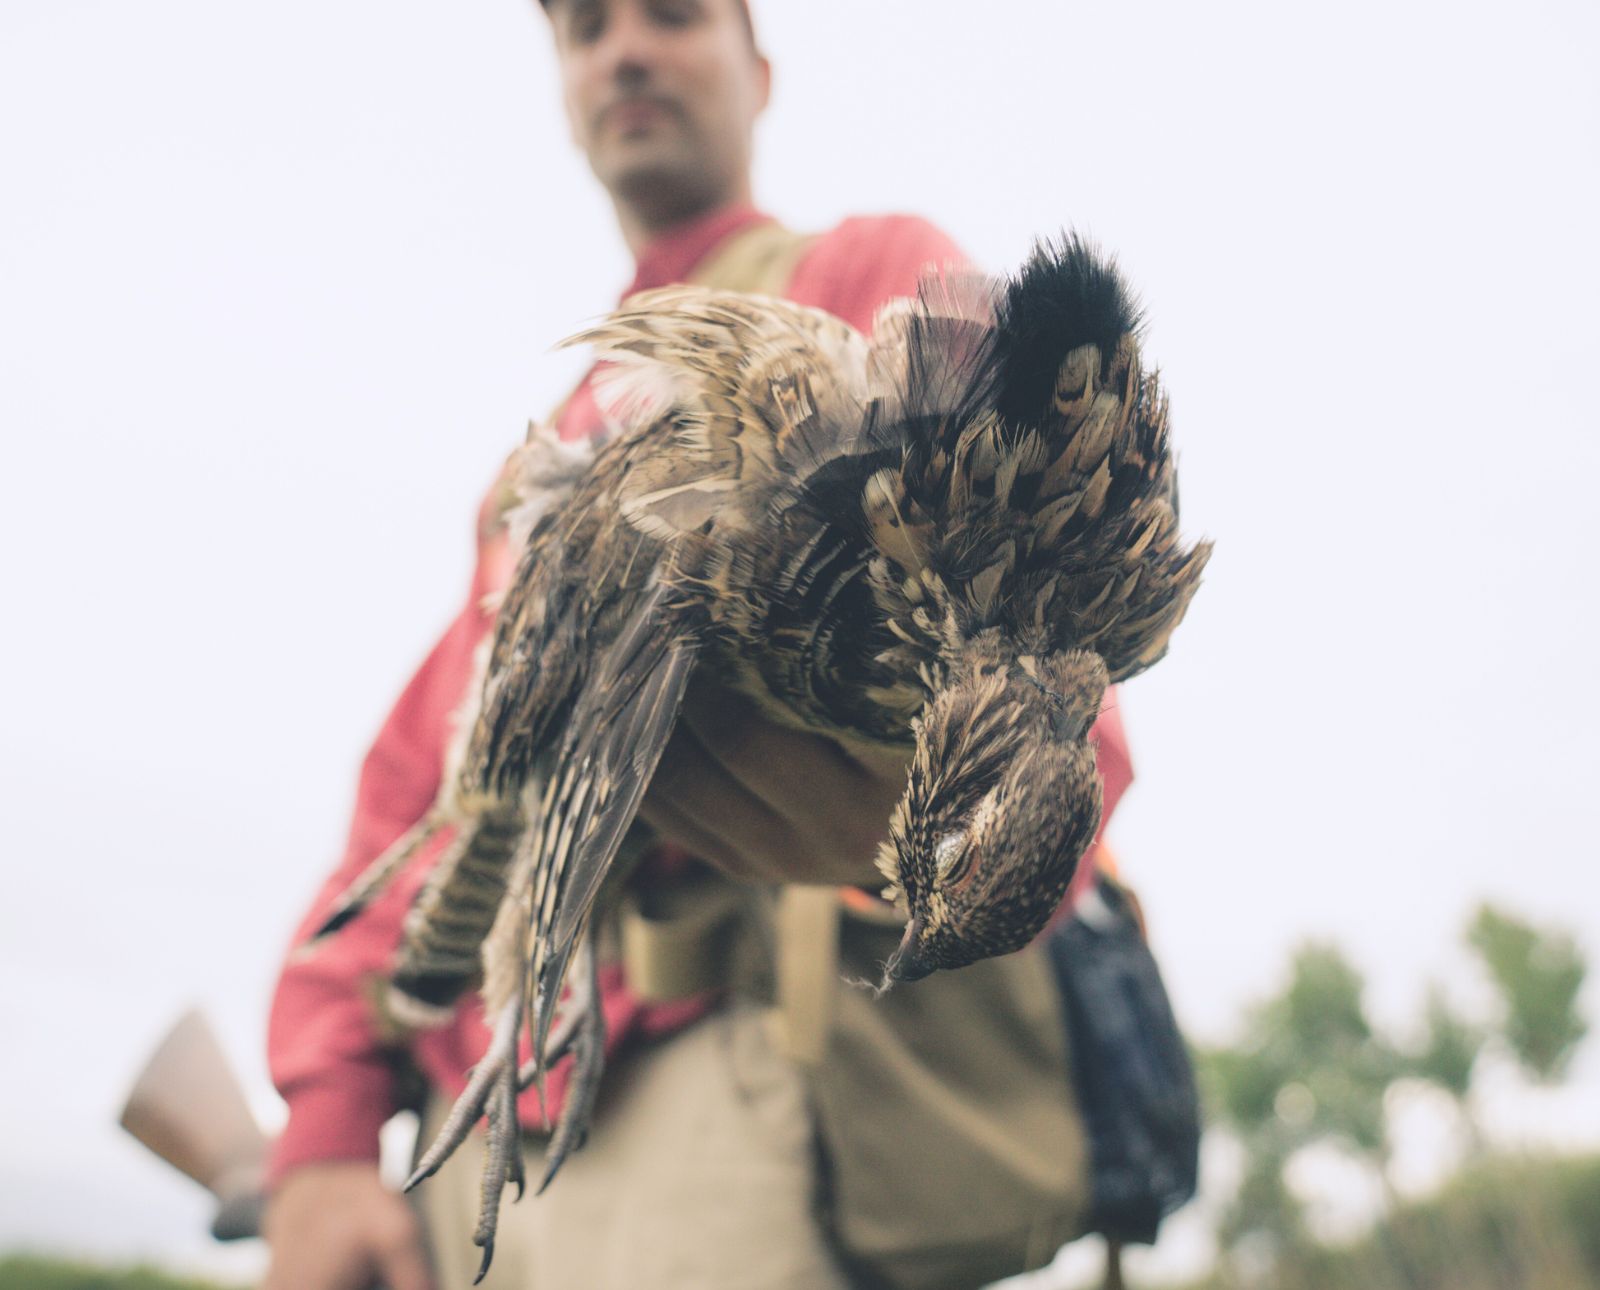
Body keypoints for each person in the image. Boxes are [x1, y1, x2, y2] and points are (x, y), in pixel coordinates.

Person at [260, 2, 1134, 1288]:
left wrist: (941, 836)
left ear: (759, 69)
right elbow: (419, 793)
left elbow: (1060, 698)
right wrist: (326, 1134)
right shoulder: (541, 449)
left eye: (671, 13)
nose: (624, 49)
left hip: (730, 1095)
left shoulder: (878, 277)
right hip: (477, 1132)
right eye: (586, 29)